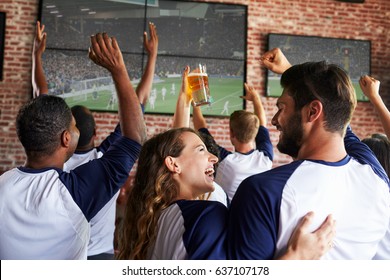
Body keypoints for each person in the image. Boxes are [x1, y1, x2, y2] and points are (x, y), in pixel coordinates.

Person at [228, 48, 390, 260]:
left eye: (281, 108)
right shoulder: (376, 176)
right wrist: (291, 72)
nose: (275, 119)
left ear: (313, 111)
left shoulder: (263, 191)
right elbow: (338, 119)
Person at [0, 31, 146, 259]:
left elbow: (41, 96)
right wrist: (118, 70)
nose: (76, 129)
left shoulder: (3, 183)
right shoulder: (75, 192)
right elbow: (134, 137)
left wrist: (36, 56)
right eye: (74, 126)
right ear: (65, 139)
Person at [193, 83, 273, 201]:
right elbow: (262, 124)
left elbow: (201, 129)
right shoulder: (266, 158)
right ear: (256, 133)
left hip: (226, 216)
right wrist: (256, 98)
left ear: (231, 133)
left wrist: (195, 103)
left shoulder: (226, 161)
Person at [172, 66, 228, 207]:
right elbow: (177, 144)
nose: (215, 160)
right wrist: (185, 99)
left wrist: (186, 100)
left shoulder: (217, 194)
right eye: (201, 150)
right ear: (174, 165)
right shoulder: (176, 204)